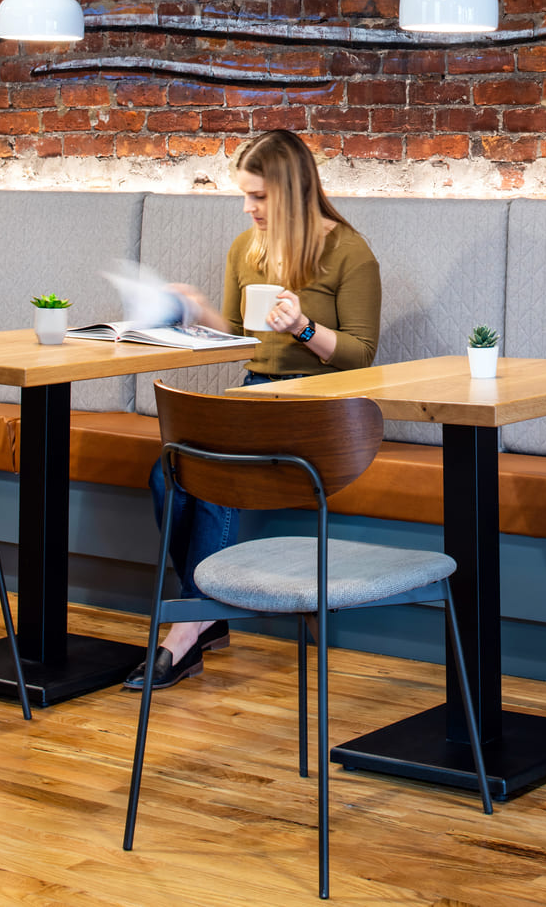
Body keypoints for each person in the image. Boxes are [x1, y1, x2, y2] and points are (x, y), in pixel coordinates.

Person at [124, 128, 381, 691]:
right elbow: (245, 340)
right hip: (252, 395)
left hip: (319, 409)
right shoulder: (247, 249)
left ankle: (186, 631)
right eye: (245, 195)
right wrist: (197, 315)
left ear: (291, 191)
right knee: (167, 474)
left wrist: (307, 329)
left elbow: (362, 356)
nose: (248, 208)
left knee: (218, 479)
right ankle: (207, 609)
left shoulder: (349, 252)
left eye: (259, 197)